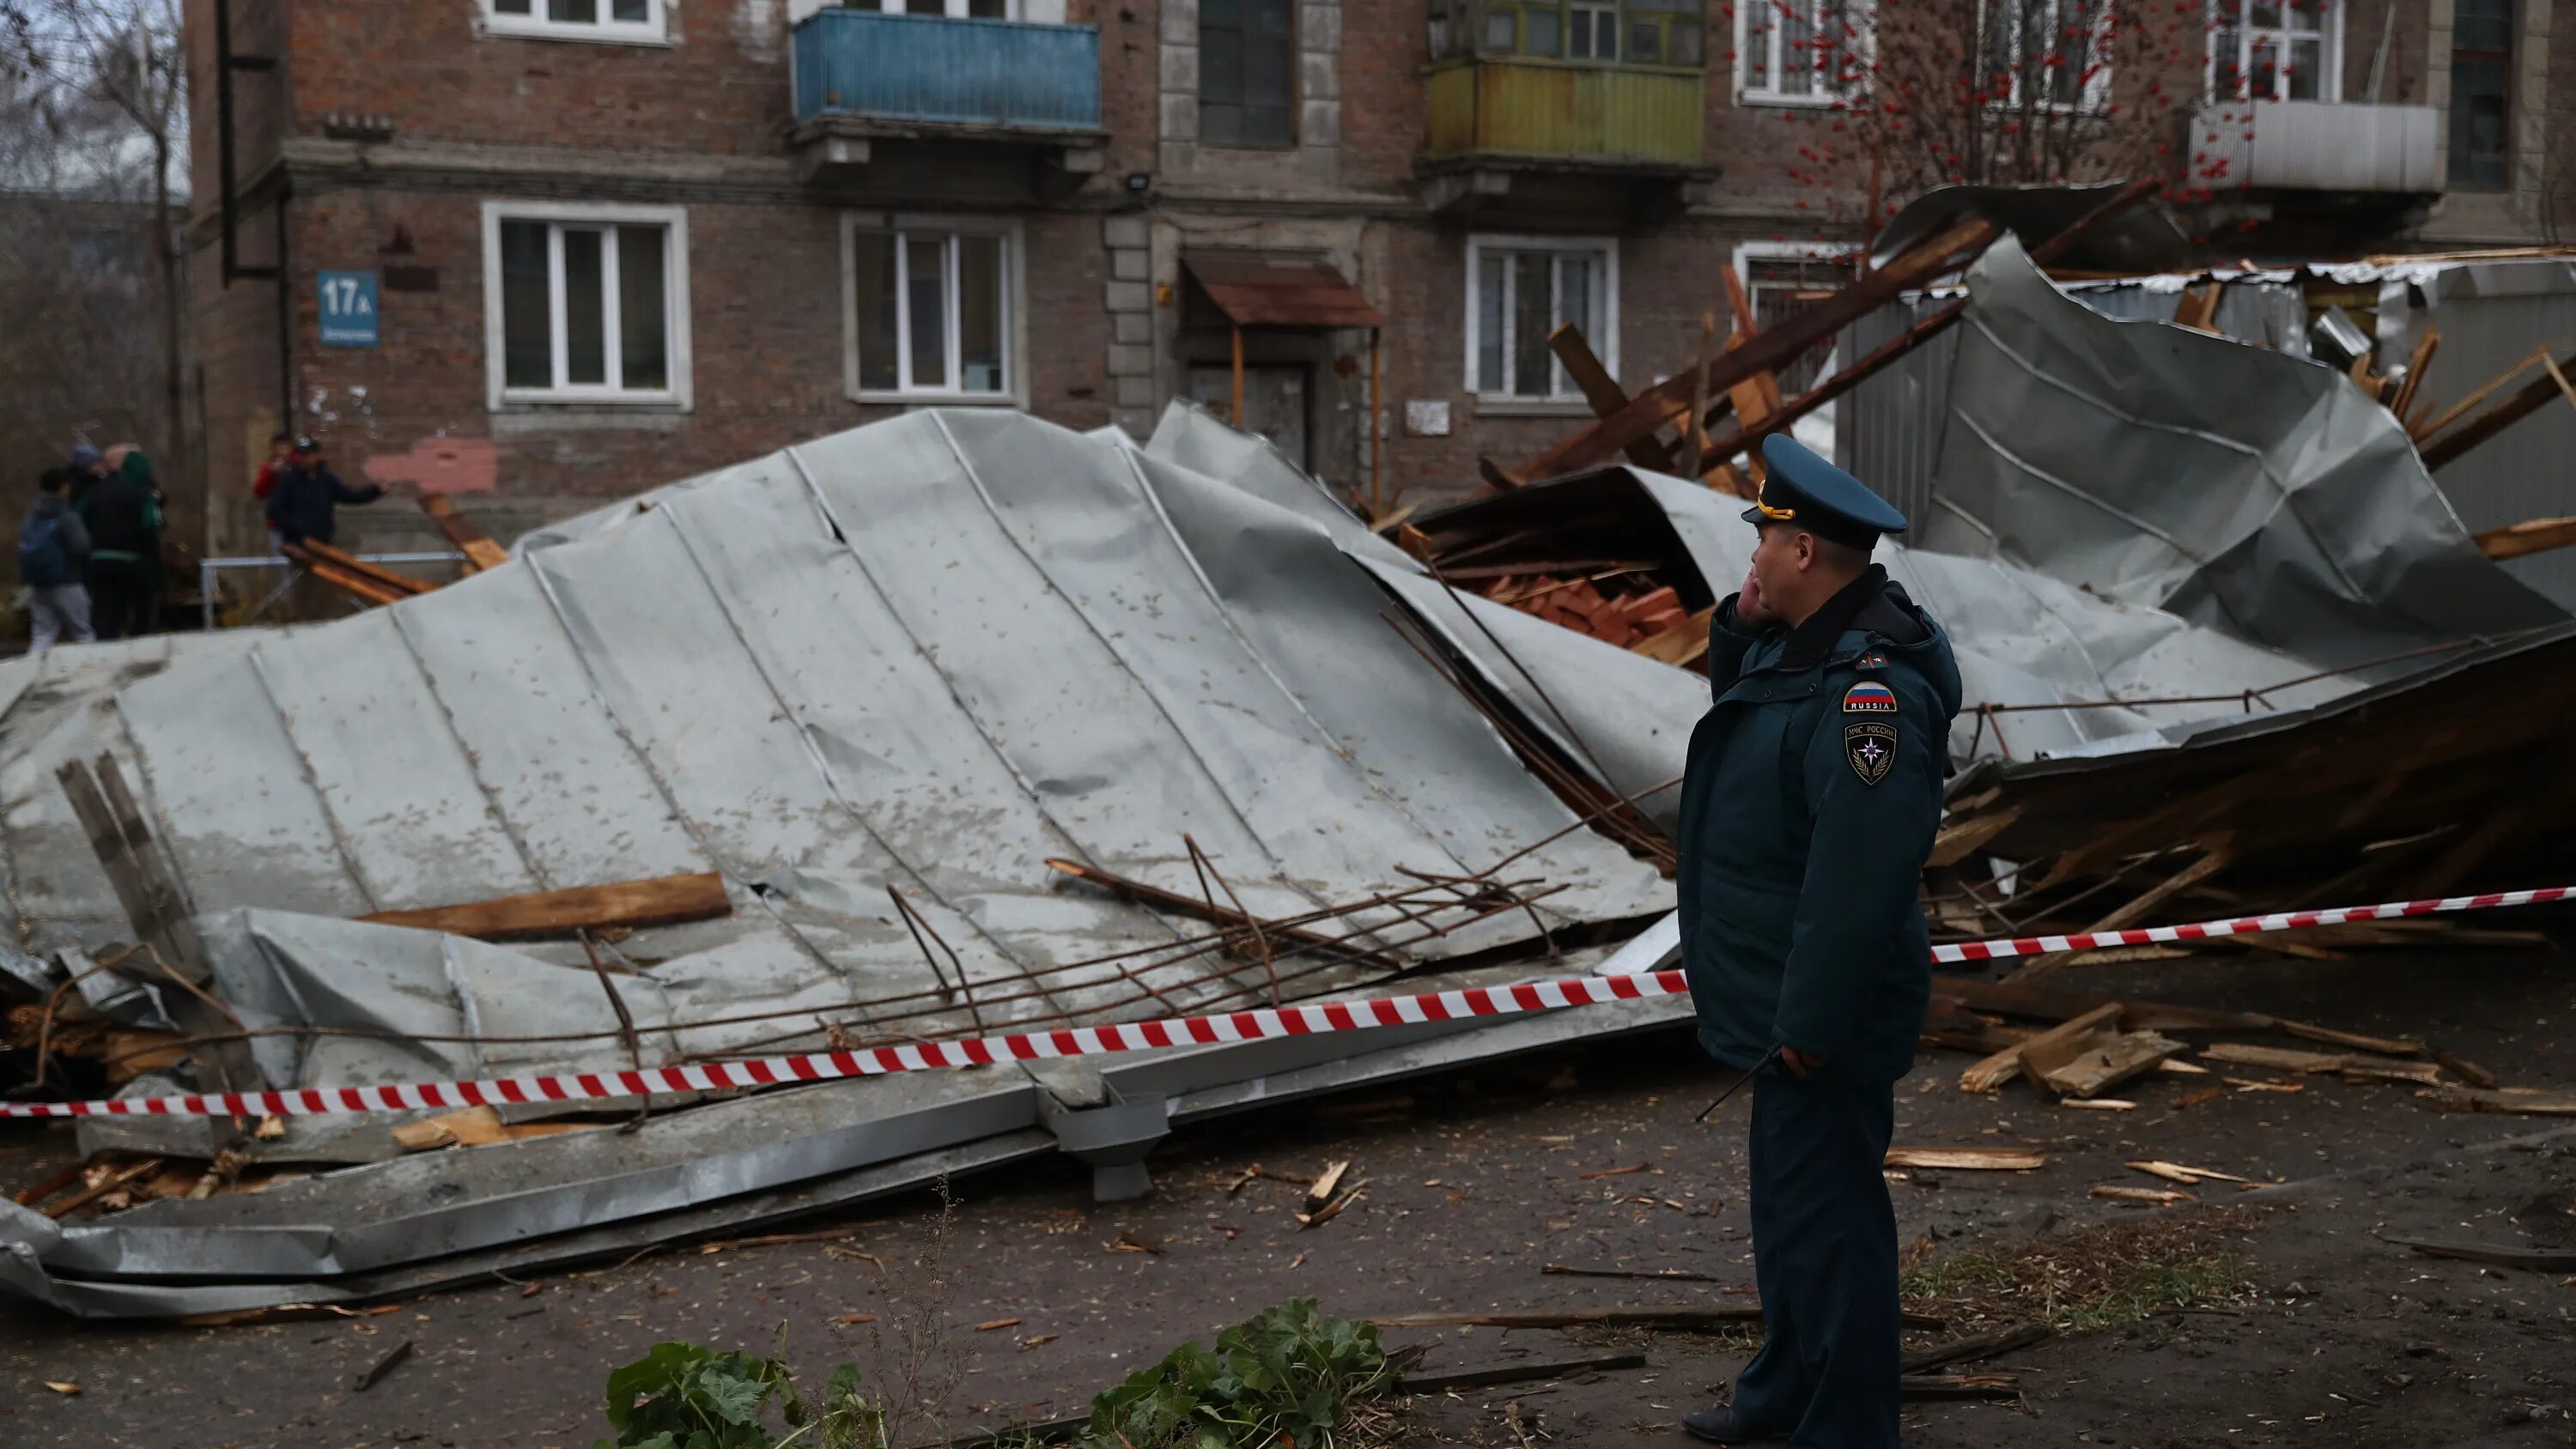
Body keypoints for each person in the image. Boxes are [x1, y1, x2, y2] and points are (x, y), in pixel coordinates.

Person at [1674, 433, 1962, 1448]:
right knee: (1791, 1215)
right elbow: (1745, 710)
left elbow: (1860, 876)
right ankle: (1783, 1394)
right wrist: (1738, 621)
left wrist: (1811, 1017)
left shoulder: (1870, 695)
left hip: (1818, 1010)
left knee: (1832, 1224)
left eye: (1766, 538)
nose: (1752, 555)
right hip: (1777, 1000)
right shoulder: (1802, 648)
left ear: (1805, 554)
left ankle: (1844, 1426)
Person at [78, 448, 164, 640]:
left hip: (98, 560)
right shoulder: (143, 493)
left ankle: (102, 651)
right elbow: (152, 524)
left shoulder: (95, 491)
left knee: (103, 613)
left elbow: (78, 518)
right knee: (136, 610)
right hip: (131, 561)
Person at [18, 469, 96, 652]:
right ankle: (90, 673)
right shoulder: (67, 516)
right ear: (64, 487)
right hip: (67, 581)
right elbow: (81, 546)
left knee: (42, 635)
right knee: (83, 633)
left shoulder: (32, 516)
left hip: (38, 583)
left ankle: (32, 673)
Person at [265, 435, 384, 548]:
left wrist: (376, 490)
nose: (304, 459)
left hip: (322, 542)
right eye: (301, 455)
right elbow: (274, 510)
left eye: (308, 455)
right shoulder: (288, 479)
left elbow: (350, 496)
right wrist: (295, 530)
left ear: (317, 456)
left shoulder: (327, 479)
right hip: (296, 543)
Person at [252, 433, 295, 556]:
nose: (282, 452)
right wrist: (271, 474)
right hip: (276, 523)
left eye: (285, 448)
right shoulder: (268, 468)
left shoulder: (297, 468)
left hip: (297, 521)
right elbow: (259, 492)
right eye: (279, 448)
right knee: (279, 557)